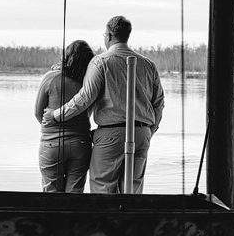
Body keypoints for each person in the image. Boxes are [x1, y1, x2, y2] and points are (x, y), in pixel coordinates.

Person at [42, 16, 164, 193]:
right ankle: (130, 220)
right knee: (133, 189)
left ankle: (105, 221)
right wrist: (150, 130)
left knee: (102, 187)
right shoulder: (148, 65)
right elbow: (159, 103)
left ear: (109, 35)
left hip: (111, 133)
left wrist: (56, 115)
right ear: (127, 35)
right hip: (142, 133)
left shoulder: (100, 61)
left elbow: (85, 97)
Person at [33, 39, 95, 192]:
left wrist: (52, 125)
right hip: (80, 143)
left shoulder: (51, 77)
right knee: (75, 192)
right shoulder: (89, 83)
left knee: (51, 193)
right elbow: (89, 111)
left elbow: (38, 112)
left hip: (51, 143)